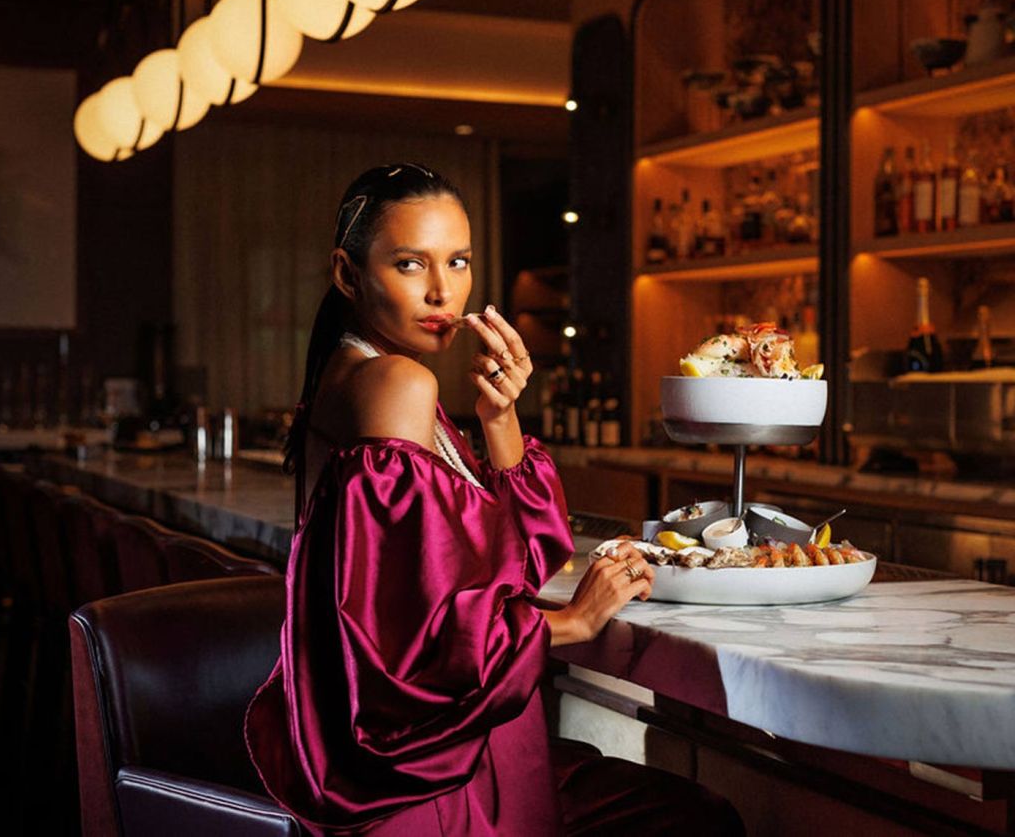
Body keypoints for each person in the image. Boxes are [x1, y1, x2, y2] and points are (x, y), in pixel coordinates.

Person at [244, 163, 744, 836]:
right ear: (348, 273)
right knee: (697, 819)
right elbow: (416, 634)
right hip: (434, 777)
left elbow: (517, 563)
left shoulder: (358, 373)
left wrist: (500, 416)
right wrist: (568, 624)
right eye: (409, 264)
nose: (442, 291)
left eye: (458, 260)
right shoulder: (398, 384)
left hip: (418, 751)